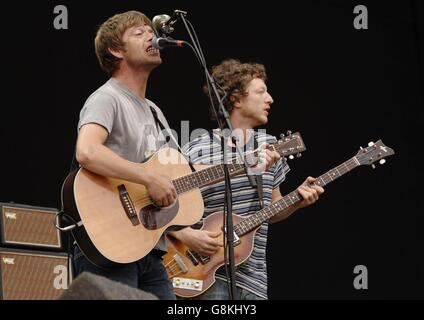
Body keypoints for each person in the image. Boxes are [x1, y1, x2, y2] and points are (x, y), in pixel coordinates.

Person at [169, 59, 325, 300]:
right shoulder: (195, 148)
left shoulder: (270, 147)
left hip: (253, 279)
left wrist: (297, 201)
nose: (270, 99)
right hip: (200, 273)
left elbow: (272, 210)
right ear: (236, 99)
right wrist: (185, 234)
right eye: (261, 92)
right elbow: (165, 206)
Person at [72, 11, 177, 300]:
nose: (152, 36)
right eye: (139, 33)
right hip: (110, 244)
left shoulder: (155, 112)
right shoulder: (107, 97)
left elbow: (176, 175)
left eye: (150, 30)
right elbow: (87, 151)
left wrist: (241, 164)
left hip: (150, 248)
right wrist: (147, 177)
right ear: (116, 50)